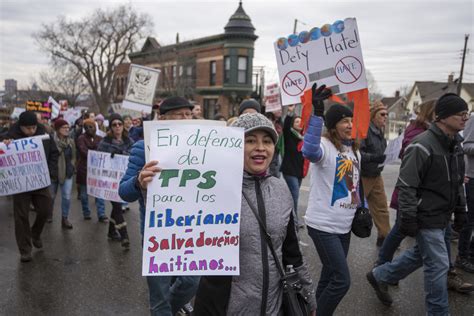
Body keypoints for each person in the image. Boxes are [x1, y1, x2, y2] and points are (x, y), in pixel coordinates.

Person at [193, 113, 316, 315]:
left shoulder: (280, 189)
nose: (260, 147)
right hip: (226, 308)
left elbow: (292, 251)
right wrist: (146, 186)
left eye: (267, 141)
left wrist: (308, 296)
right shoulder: (213, 189)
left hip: (274, 307)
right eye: (250, 140)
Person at [367, 93, 469, 315]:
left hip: (443, 215)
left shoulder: (455, 146)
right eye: (461, 114)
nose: (465, 118)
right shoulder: (421, 145)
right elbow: (406, 186)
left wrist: (461, 210)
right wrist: (409, 217)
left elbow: (457, 182)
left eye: (466, 113)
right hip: (426, 215)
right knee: (439, 264)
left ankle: (380, 275)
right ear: (442, 116)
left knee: (420, 256)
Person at [119, 96, 200, 316]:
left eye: (188, 114)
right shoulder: (142, 148)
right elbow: (123, 192)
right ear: (163, 118)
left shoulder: (203, 147)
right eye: (180, 115)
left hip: (193, 230)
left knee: (192, 281)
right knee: (160, 295)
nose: (186, 119)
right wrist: (138, 181)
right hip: (158, 234)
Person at [302, 84, 361, 315]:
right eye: (344, 121)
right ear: (333, 126)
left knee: (329, 276)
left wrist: (361, 208)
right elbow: (309, 151)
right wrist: (317, 115)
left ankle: (313, 309)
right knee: (342, 280)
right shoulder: (325, 147)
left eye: (351, 120)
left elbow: (354, 186)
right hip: (323, 225)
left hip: (344, 226)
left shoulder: (354, 151)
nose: (349, 125)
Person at [1, 111, 59, 262]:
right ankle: (25, 250)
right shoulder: (11, 135)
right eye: (28, 128)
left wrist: (51, 172)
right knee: (21, 216)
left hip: (40, 180)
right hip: (20, 184)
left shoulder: (43, 134)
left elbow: (54, 153)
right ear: (21, 127)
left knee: (46, 209)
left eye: (33, 127)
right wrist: (4, 144)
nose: (31, 131)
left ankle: (35, 233)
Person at [97, 113, 133, 248]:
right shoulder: (104, 142)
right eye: (114, 124)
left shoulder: (129, 141)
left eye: (119, 124)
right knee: (117, 205)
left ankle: (111, 232)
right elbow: (99, 158)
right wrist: (109, 155)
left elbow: (133, 156)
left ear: (123, 126)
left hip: (123, 179)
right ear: (110, 127)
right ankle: (125, 236)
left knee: (116, 207)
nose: (117, 126)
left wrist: (121, 155)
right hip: (109, 181)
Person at [360, 101, 391, 247]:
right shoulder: (365, 131)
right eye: (382, 114)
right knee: (352, 208)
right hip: (363, 176)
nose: (385, 117)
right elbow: (358, 152)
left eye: (387, 114)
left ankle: (385, 237)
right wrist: (373, 158)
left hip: (376, 174)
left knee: (381, 208)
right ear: (373, 116)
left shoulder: (380, 132)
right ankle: (338, 234)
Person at [76, 118, 108, 222]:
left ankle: (101, 214)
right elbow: (83, 151)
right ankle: (86, 212)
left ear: (95, 127)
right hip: (84, 169)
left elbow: (104, 150)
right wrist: (96, 152)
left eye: (91, 126)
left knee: (99, 193)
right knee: (84, 194)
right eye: (86, 127)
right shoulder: (81, 138)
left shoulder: (100, 138)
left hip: (98, 170)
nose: (89, 129)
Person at [280, 104, 305, 227]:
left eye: (301, 122)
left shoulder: (303, 138)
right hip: (289, 170)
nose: (299, 124)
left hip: (299, 171)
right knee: (295, 195)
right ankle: (295, 222)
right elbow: (285, 126)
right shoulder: (289, 134)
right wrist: (290, 113)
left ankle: (286, 217)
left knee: (292, 196)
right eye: (296, 121)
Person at [50, 119, 76, 229]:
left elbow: (74, 157)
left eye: (67, 127)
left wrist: (71, 166)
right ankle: (48, 214)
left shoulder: (71, 142)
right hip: (53, 173)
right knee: (51, 196)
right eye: (63, 127)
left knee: (66, 196)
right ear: (57, 129)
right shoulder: (51, 141)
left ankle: (64, 218)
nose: (66, 129)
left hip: (67, 173)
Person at [456, 113, 474, 272]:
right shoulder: (473, 119)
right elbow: (466, 147)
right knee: (469, 220)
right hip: (472, 177)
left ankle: (471, 252)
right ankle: (462, 256)